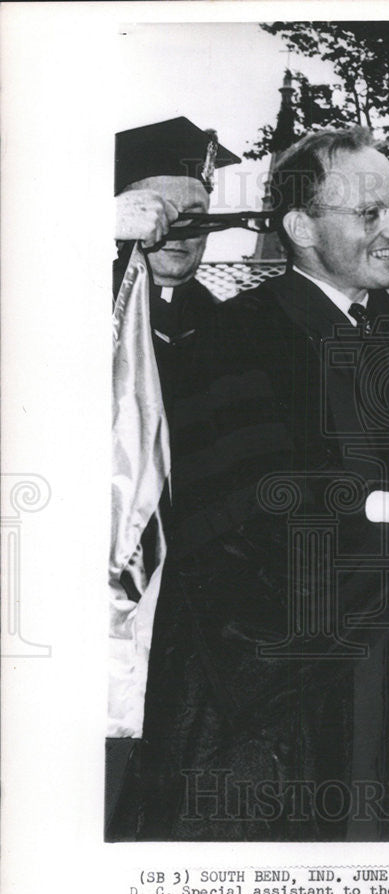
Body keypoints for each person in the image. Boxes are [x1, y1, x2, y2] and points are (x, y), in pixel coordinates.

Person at [137, 126, 389, 841]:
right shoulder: (236, 342)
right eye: (369, 214)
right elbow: (242, 520)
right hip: (286, 696)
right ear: (300, 227)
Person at [107, 117, 240, 838]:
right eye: (166, 216)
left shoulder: (229, 329)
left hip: (193, 595)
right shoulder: (77, 312)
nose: (184, 234)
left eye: (200, 218)